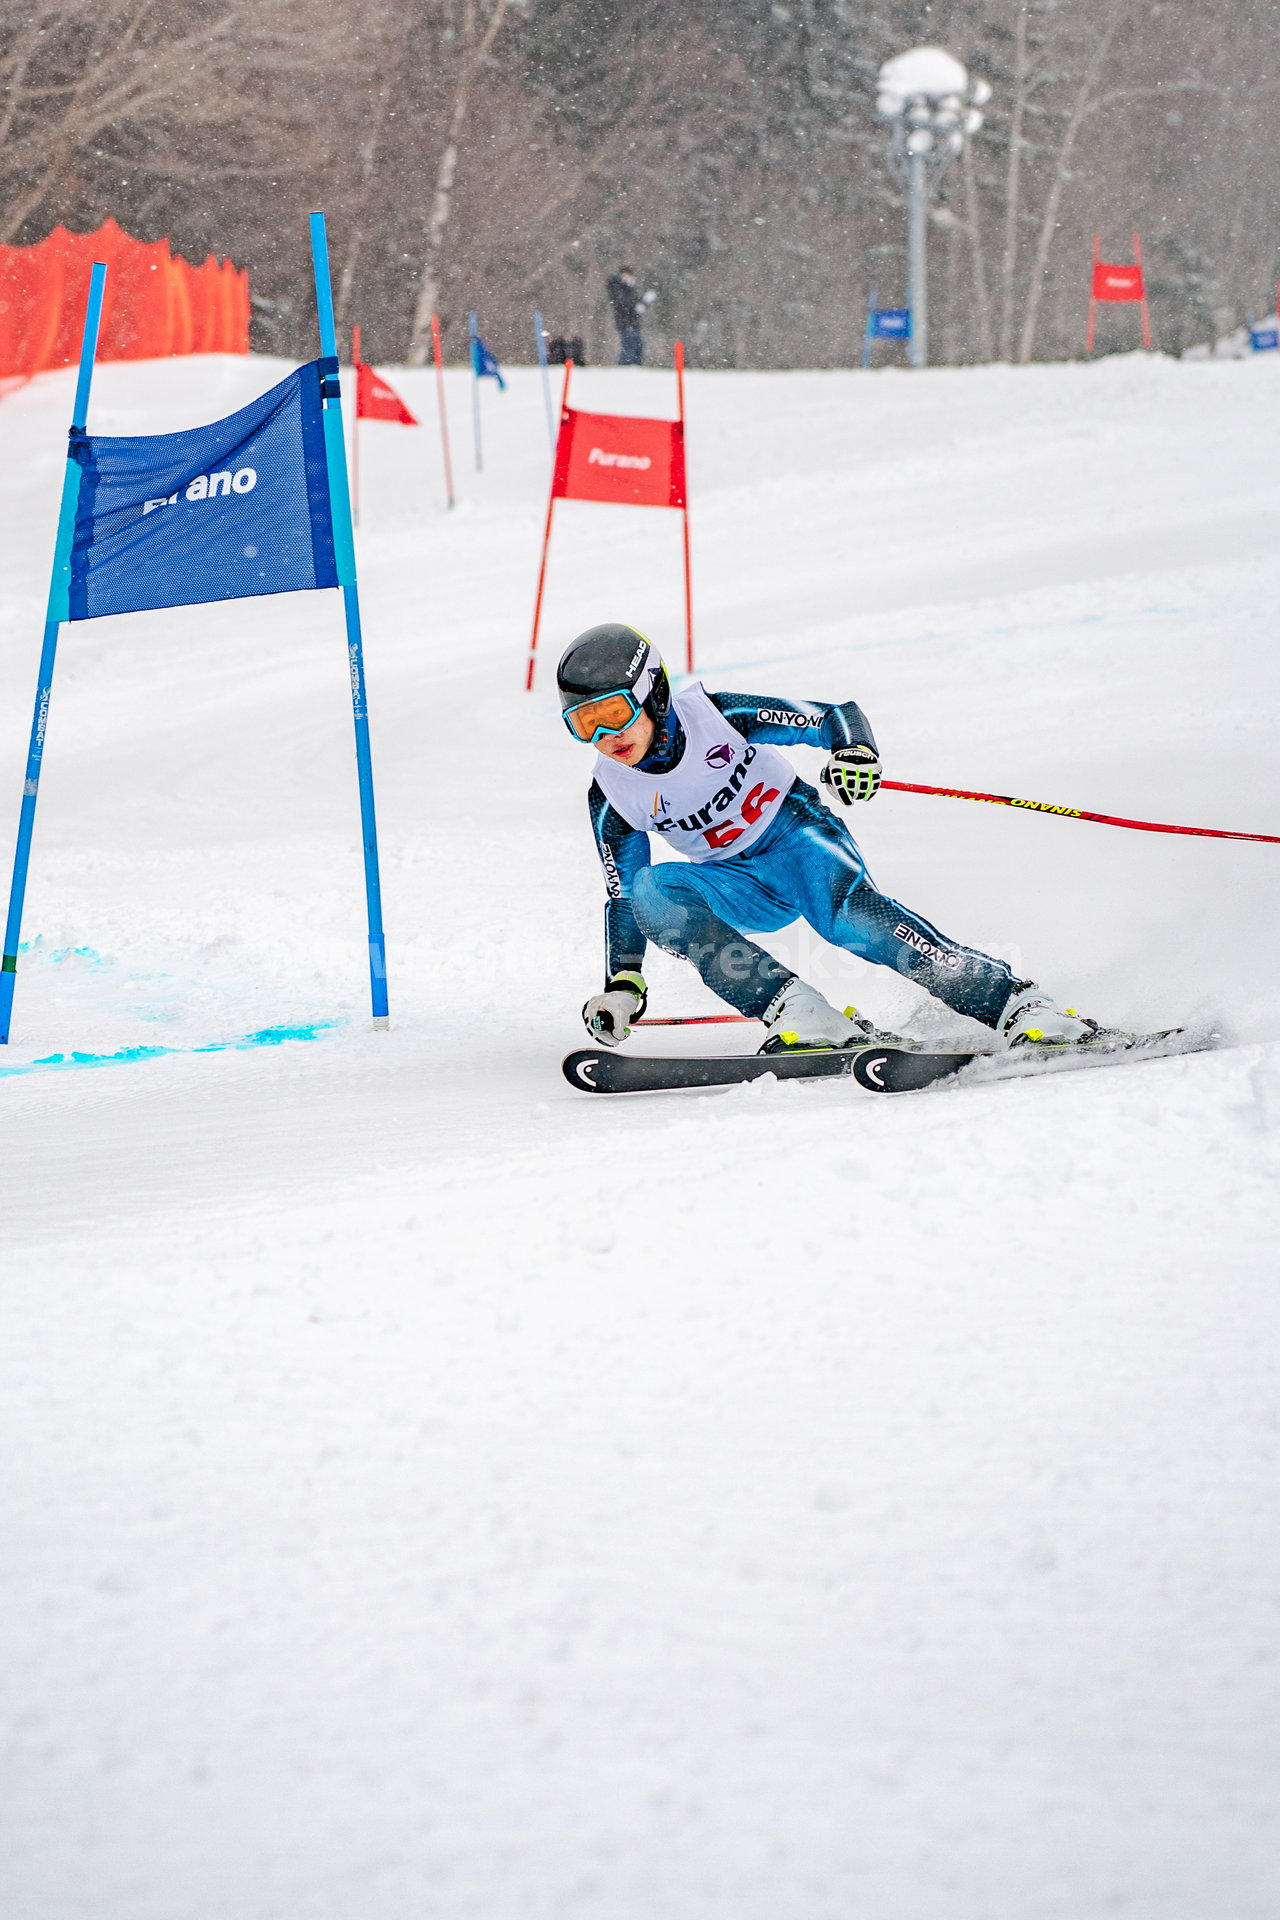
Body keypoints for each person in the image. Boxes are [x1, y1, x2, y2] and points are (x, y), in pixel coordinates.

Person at [558, 623, 1110, 1054]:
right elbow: (625, 896)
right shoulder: (611, 794)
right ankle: (795, 1009)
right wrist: (623, 982)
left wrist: (852, 753)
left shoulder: (718, 716)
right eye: (584, 725)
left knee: (850, 923)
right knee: (652, 891)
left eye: (614, 712)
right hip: (734, 883)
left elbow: (833, 717)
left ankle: (1018, 1004)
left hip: (798, 839)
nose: (606, 737)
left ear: (652, 693)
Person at [606, 267, 655, 366]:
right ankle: (626, 367)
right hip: (626, 322)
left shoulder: (628, 289)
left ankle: (634, 367)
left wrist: (643, 303)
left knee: (639, 346)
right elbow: (624, 304)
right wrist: (641, 304)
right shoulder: (619, 287)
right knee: (629, 347)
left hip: (633, 323)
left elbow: (634, 306)